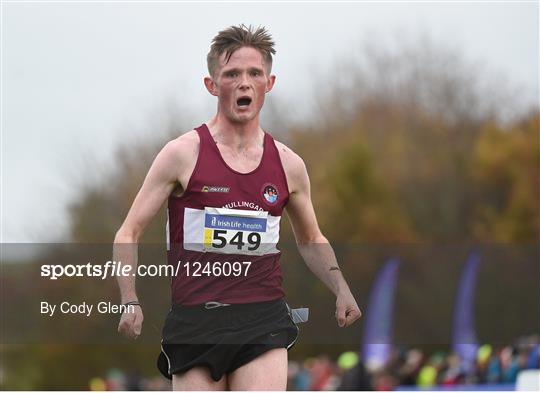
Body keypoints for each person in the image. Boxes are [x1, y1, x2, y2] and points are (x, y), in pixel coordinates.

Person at [114, 24, 361, 391]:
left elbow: (310, 238)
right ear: (212, 85)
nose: (244, 83)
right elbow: (128, 231)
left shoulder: (288, 165)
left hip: (262, 319)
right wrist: (129, 298)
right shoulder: (182, 154)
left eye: (254, 73)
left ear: (269, 83)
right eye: (232, 74)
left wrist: (340, 286)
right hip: (196, 321)